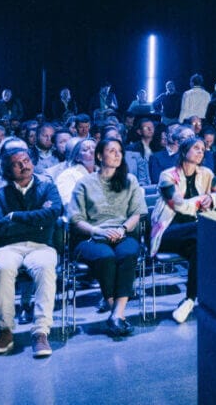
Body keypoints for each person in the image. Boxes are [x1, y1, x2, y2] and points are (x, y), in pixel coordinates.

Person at [0, 145, 61, 358]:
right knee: (1, 267)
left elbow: (53, 214)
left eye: (26, 161)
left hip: (41, 245)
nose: (23, 166)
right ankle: (5, 330)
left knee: (45, 266)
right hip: (7, 246)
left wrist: (13, 216)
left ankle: (40, 332)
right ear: (7, 170)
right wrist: (37, 219)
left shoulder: (47, 188)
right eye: (17, 164)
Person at [149, 132, 216, 324]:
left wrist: (214, 197)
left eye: (203, 149)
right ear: (184, 150)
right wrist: (202, 200)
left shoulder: (206, 174)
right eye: (196, 148)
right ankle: (213, 293)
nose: (200, 152)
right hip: (166, 232)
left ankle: (189, 299)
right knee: (202, 230)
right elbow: (178, 205)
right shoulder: (167, 175)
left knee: (199, 249)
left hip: (192, 234)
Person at [68, 137, 146, 337]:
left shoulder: (130, 181)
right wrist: (98, 231)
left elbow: (136, 213)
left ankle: (117, 314)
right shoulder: (84, 183)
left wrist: (122, 229)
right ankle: (116, 313)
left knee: (127, 254)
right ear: (99, 155)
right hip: (90, 236)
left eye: (120, 151)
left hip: (122, 232)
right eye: (111, 151)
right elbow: (76, 219)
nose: (117, 154)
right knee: (105, 257)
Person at [55, 137, 98, 205]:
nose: (92, 151)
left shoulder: (103, 172)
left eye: (94, 148)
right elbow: (68, 203)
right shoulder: (67, 175)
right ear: (77, 157)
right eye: (86, 149)